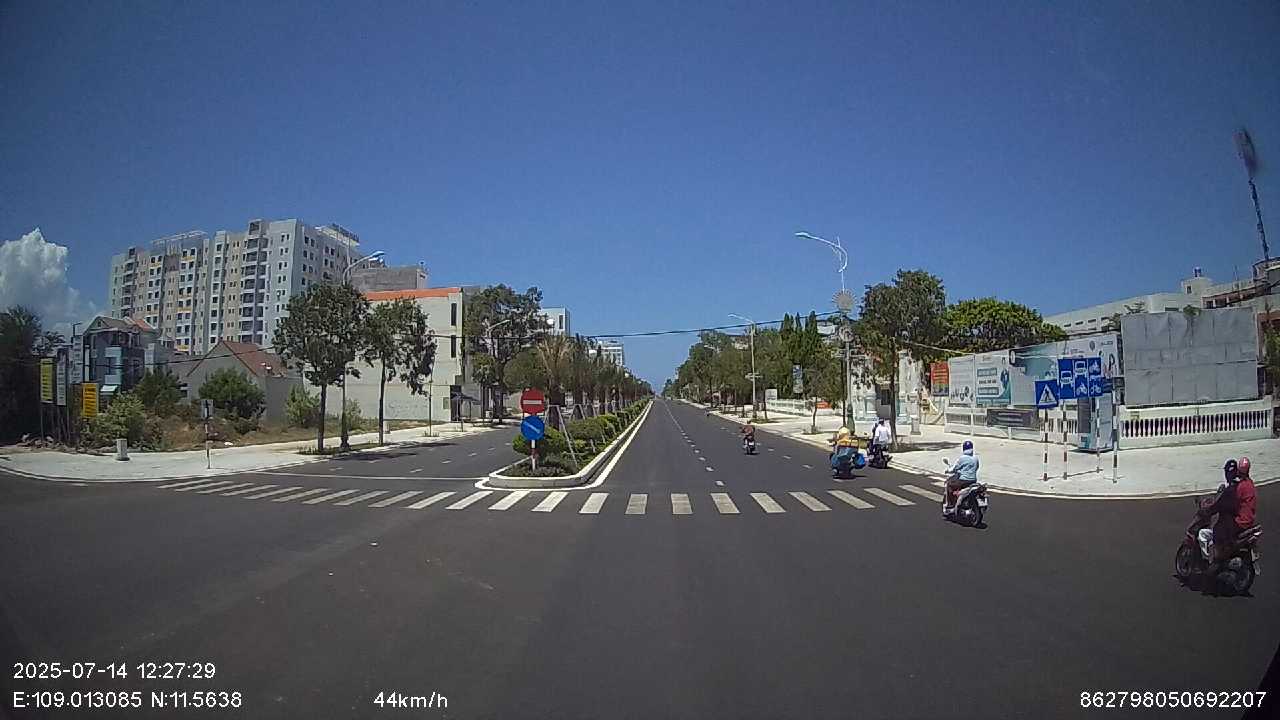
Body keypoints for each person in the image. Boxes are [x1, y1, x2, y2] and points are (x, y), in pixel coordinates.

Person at [1197, 458, 1258, 564]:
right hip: (1249, 520)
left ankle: (1215, 560)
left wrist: (1209, 510)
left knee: (1217, 530)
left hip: (1240, 521)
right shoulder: (1249, 483)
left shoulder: (1237, 487)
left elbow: (1222, 504)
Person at [944, 440, 980, 515]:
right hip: (973, 480)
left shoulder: (962, 458)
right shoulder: (975, 458)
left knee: (949, 485)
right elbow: (977, 467)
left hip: (963, 480)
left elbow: (955, 468)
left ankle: (950, 505)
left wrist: (948, 470)